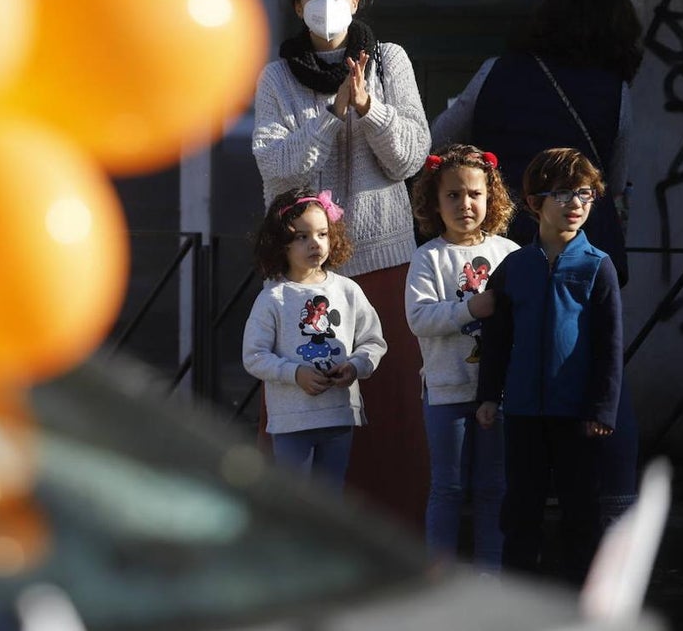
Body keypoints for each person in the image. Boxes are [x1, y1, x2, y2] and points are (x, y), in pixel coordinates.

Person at [251, 0, 431, 530]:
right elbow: (277, 169)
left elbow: (410, 156)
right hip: (304, 272)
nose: (325, 3)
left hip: (382, 262)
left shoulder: (389, 60)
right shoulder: (277, 77)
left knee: (388, 407)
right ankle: (298, 539)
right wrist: (330, 114)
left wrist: (370, 108)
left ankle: (396, 538)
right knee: (301, 409)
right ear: (297, 2)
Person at [431, 0, 643, 289]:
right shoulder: (616, 92)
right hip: (577, 249)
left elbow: (439, 138)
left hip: (500, 239)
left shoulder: (497, 70)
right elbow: (612, 179)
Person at [475, 147, 623, 586]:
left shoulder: (599, 267)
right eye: (563, 193)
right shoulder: (515, 267)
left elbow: (610, 345)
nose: (576, 203)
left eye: (585, 193)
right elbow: (497, 339)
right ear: (536, 202)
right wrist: (488, 396)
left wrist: (602, 410)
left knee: (581, 510)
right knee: (521, 508)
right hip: (522, 412)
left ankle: (584, 597)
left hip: (578, 415)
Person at [404, 144, 519, 575]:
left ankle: (490, 576)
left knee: (493, 488)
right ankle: (439, 578)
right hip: (446, 390)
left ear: (490, 198)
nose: (465, 203)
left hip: (499, 393)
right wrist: (471, 308)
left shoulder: (509, 252)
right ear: (435, 201)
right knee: (448, 488)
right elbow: (418, 318)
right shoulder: (428, 256)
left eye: (474, 193)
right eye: (453, 195)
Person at [243, 187, 387, 491]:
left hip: (339, 416)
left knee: (329, 501)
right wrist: (295, 373)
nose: (315, 243)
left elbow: (373, 342)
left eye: (322, 234)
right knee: (295, 504)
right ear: (281, 244)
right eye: (302, 236)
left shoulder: (348, 290)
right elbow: (254, 356)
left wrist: (355, 367)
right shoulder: (274, 297)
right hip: (292, 421)